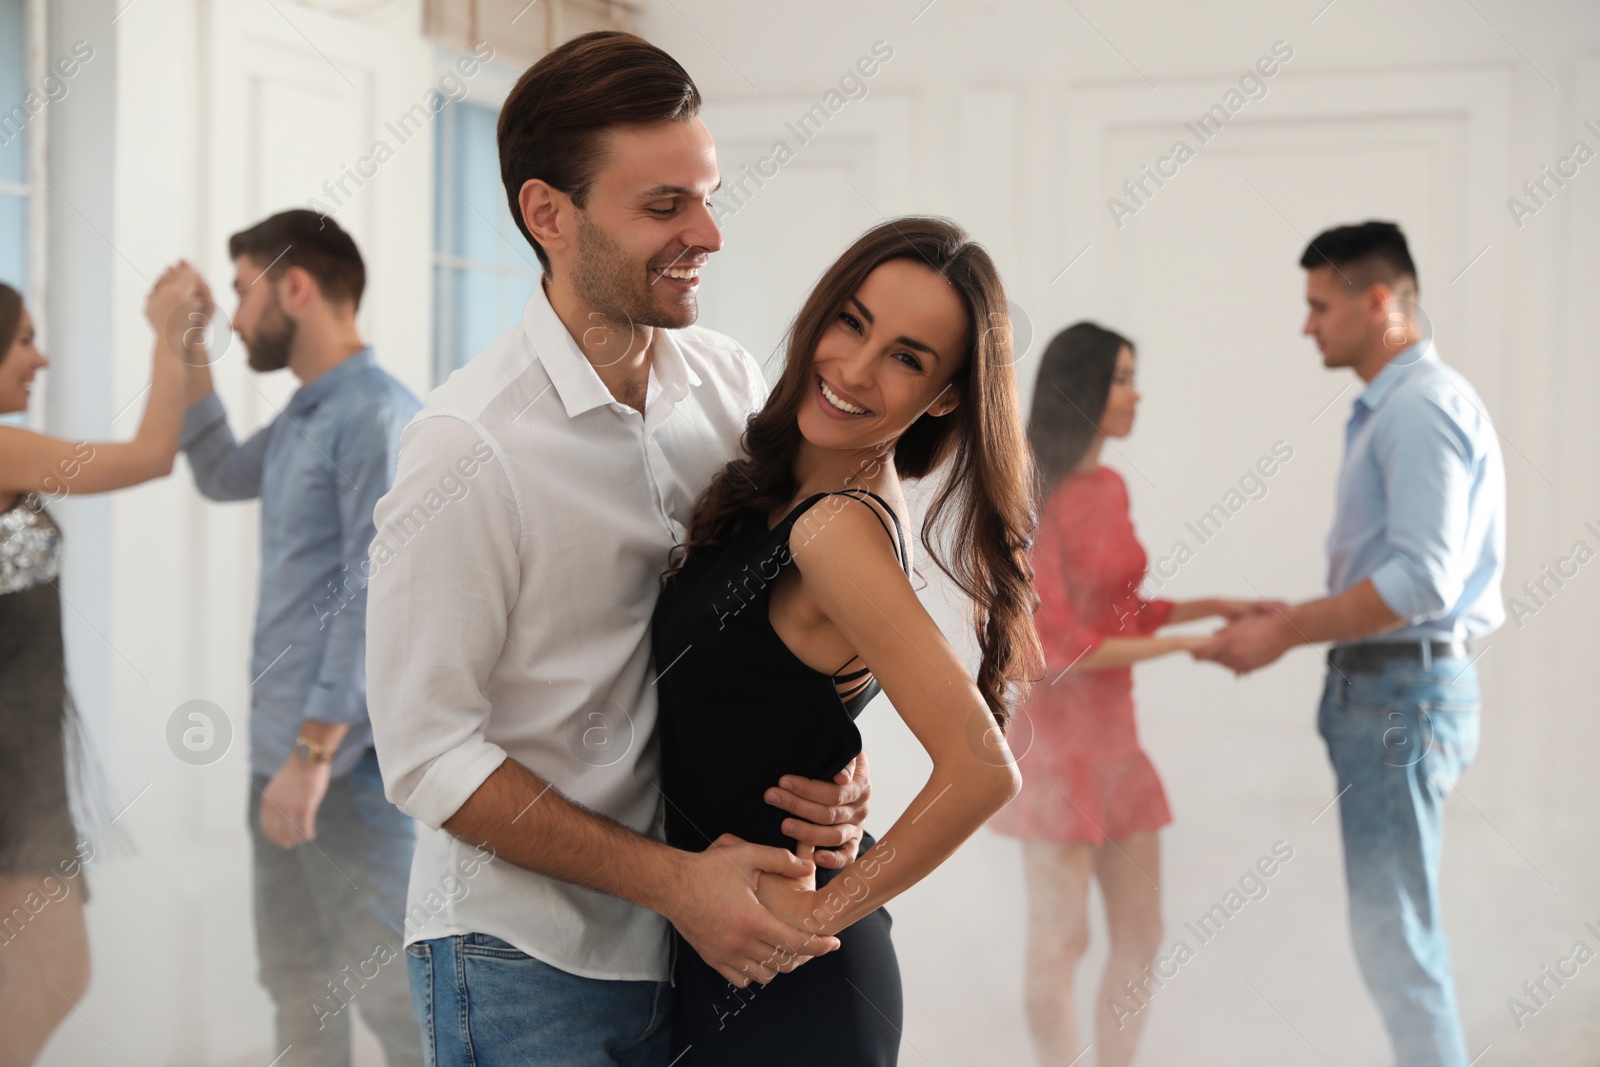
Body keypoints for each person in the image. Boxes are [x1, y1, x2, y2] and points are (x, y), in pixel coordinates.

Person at [364, 31, 876, 1067]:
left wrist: (844, 758)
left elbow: (793, 624)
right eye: (664, 207)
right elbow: (426, 753)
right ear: (547, 214)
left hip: (694, 940)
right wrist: (674, 882)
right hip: (522, 958)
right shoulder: (465, 450)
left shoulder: (735, 390)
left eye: (707, 194)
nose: (709, 232)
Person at [652, 216, 1034, 1065]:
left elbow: (982, 768)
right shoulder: (797, 491)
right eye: (851, 322)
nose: (855, 369)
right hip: (718, 953)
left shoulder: (836, 529)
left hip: (787, 984)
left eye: (907, 357)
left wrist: (817, 916)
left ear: (943, 397)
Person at [1199, 221, 1505, 1067]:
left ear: (1379, 302)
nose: (1308, 326)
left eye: (1319, 306)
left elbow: (1421, 584)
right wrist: (1287, 617)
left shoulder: (1418, 408)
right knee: (1394, 939)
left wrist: (1285, 632)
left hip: (1399, 698)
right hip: (1389, 693)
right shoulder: (1397, 406)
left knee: (1398, 943)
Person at [176, 210, 424, 1067]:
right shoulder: (305, 416)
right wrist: (185, 344)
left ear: (296, 286)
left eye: (241, 293)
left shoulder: (377, 418)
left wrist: (314, 754)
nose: (236, 319)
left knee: (393, 996)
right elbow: (215, 473)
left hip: (342, 770)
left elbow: (373, 600)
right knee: (297, 984)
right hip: (280, 760)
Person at [987, 322, 1265, 1067]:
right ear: (1083, 391)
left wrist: (1209, 607)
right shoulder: (1028, 498)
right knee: (1062, 937)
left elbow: (1119, 611)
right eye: (1121, 379)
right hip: (1057, 753)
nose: (1136, 394)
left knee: (1142, 933)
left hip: (1116, 744)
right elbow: (1048, 650)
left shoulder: (1106, 488)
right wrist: (1181, 645)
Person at [0, 265, 203, 1066]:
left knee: (45, 967)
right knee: (54, 966)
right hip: (11, 758)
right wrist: (163, 332)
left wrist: (187, 340)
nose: (39, 359)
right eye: (23, 341)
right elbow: (151, 454)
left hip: (26, 743)